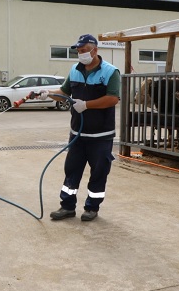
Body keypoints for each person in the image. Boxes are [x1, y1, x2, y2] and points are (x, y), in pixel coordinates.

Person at [38, 34, 120, 221]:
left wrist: (87, 105)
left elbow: (113, 98)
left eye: (84, 51)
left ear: (95, 50)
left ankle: (92, 207)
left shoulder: (110, 72)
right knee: (71, 170)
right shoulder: (75, 70)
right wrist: (49, 94)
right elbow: (64, 92)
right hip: (78, 134)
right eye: (79, 51)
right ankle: (67, 206)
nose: (81, 54)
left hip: (101, 135)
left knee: (99, 172)